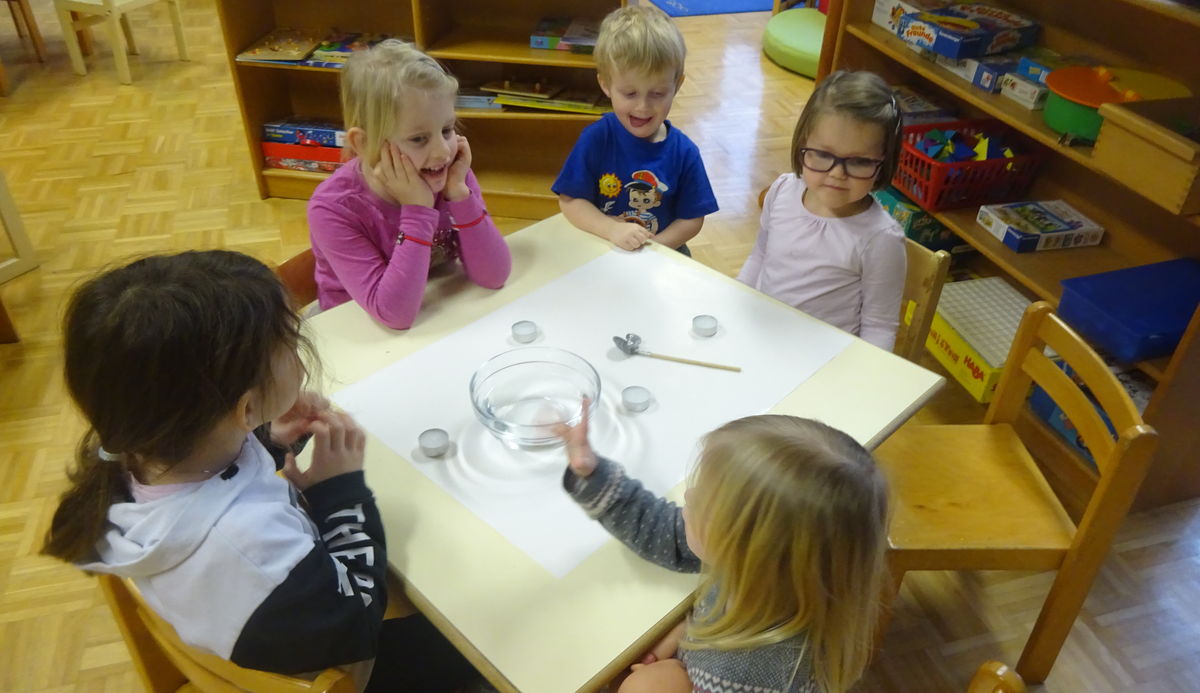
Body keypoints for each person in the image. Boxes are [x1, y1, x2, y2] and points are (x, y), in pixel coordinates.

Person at [41, 250, 479, 692]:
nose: (300, 352)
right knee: (471, 637)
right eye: (290, 341)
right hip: (348, 661)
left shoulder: (133, 453)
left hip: (266, 623)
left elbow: (220, 485)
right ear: (246, 408)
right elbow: (358, 620)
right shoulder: (249, 548)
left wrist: (270, 440)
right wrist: (339, 494)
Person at [558, 411, 888, 693]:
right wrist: (591, 473)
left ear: (747, 547)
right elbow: (662, 530)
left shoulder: (742, 674)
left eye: (705, 500)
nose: (690, 495)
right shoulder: (794, 572)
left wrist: (651, 682)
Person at [308, 40, 512, 329]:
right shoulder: (333, 208)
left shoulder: (449, 175)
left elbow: (494, 275)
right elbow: (394, 315)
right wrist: (417, 212)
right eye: (418, 139)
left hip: (430, 306)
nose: (442, 152)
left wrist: (460, 196)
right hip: (358, 328)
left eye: (447, 130)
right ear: (364, 143)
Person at [738, 70, 907, 351]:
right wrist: (734, 301)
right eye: (824, 155)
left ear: (883, 163)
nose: (837, 174)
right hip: (761, 338)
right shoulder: (782, 191)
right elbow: (760, 256)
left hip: (825, 360)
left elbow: (879, 327)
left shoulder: (881, 239)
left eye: (859, 161)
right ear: (803, 143)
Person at [552, 5, 718, 255]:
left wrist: (654, 249)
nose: (643, 107)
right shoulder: (596, 139)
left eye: (657, 93)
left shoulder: (685, 152)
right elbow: (570, 200)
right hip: (604, 250)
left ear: (677, 84)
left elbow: (692, 218)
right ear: (605, 85)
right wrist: (611, 229)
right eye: (630, 93)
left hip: (662, 257)